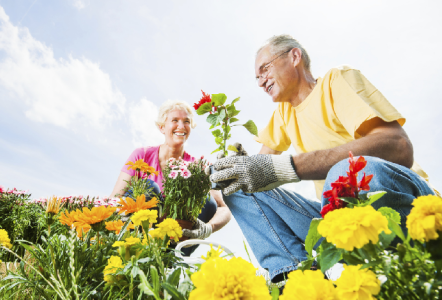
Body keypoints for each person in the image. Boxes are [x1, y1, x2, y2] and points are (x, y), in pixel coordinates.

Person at [210, 34, 439, 282]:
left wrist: (289, 167)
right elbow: (256, 173)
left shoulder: (336, 80)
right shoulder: (283, 115)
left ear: (294, 56)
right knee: (238, 186)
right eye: (256, 76)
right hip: (338, 224)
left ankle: (352, 263)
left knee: (345, 170)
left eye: (264, 69)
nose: (260, 81)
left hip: (402, 205)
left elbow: (398, 146)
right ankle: (295, 276)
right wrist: (224, 172)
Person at [110, 100, 231, 255]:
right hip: (140, 231)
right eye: (175, 120)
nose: (181, 126)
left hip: (176, 239)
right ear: (162, 127)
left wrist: (208, 228)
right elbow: (114, 199)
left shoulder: (197, 167)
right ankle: (135, 250)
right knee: (149, 187)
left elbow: (223, 208)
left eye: (186, 121)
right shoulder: (141, 156)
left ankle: (172, 257)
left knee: (208, 201)